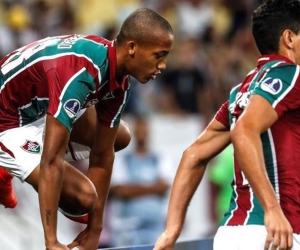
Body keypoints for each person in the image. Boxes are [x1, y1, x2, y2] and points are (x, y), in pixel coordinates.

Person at [0, 7, 174, 250]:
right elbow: (52, 160)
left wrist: (95, 231)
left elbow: (103, 155)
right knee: (84, 198)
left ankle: (22, 165)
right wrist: (52, 243)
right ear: (132, 47)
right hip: (8, 123)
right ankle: (7, 163)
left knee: (120, 136)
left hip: (39, 106)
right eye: (159, 55)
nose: (163, 65)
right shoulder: (80, 75)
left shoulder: (117, 76)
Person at [153, 0, 300, 249]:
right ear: (289, 38)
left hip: (232, 235)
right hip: (275, 233)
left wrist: (171, 231)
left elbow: (194, 155)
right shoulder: (291, 76)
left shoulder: (240, 92)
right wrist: (272, 209)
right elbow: (244, 129)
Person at [109, 116, 173, 246]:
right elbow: (121, 191)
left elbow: (164, 188)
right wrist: (152, 187)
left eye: (144, 129)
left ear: (149, 132)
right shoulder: (122, 160)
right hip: (128, 226)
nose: (142, 133)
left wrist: (134, 188)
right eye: (138, 129)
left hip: (155, 225)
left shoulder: (160, 159)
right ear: (133, 132)